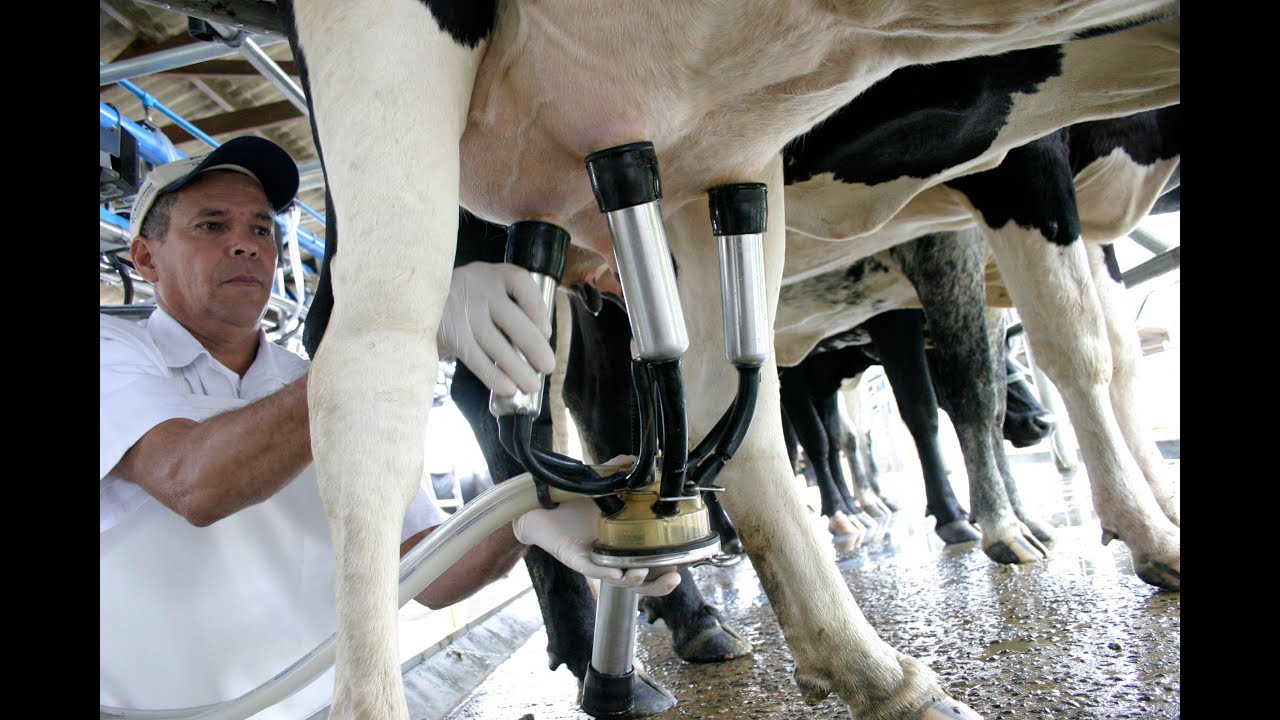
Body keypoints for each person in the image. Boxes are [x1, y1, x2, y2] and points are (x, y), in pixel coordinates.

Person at [99, 136, 679, 718]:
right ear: (146, 258)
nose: (246, 246)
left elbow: (427, 575)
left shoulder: (309, 378)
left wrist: (531, 517)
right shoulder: (115, 351)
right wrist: (397, 333)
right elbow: (195, 484)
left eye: (260, 230)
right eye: (211, 226)